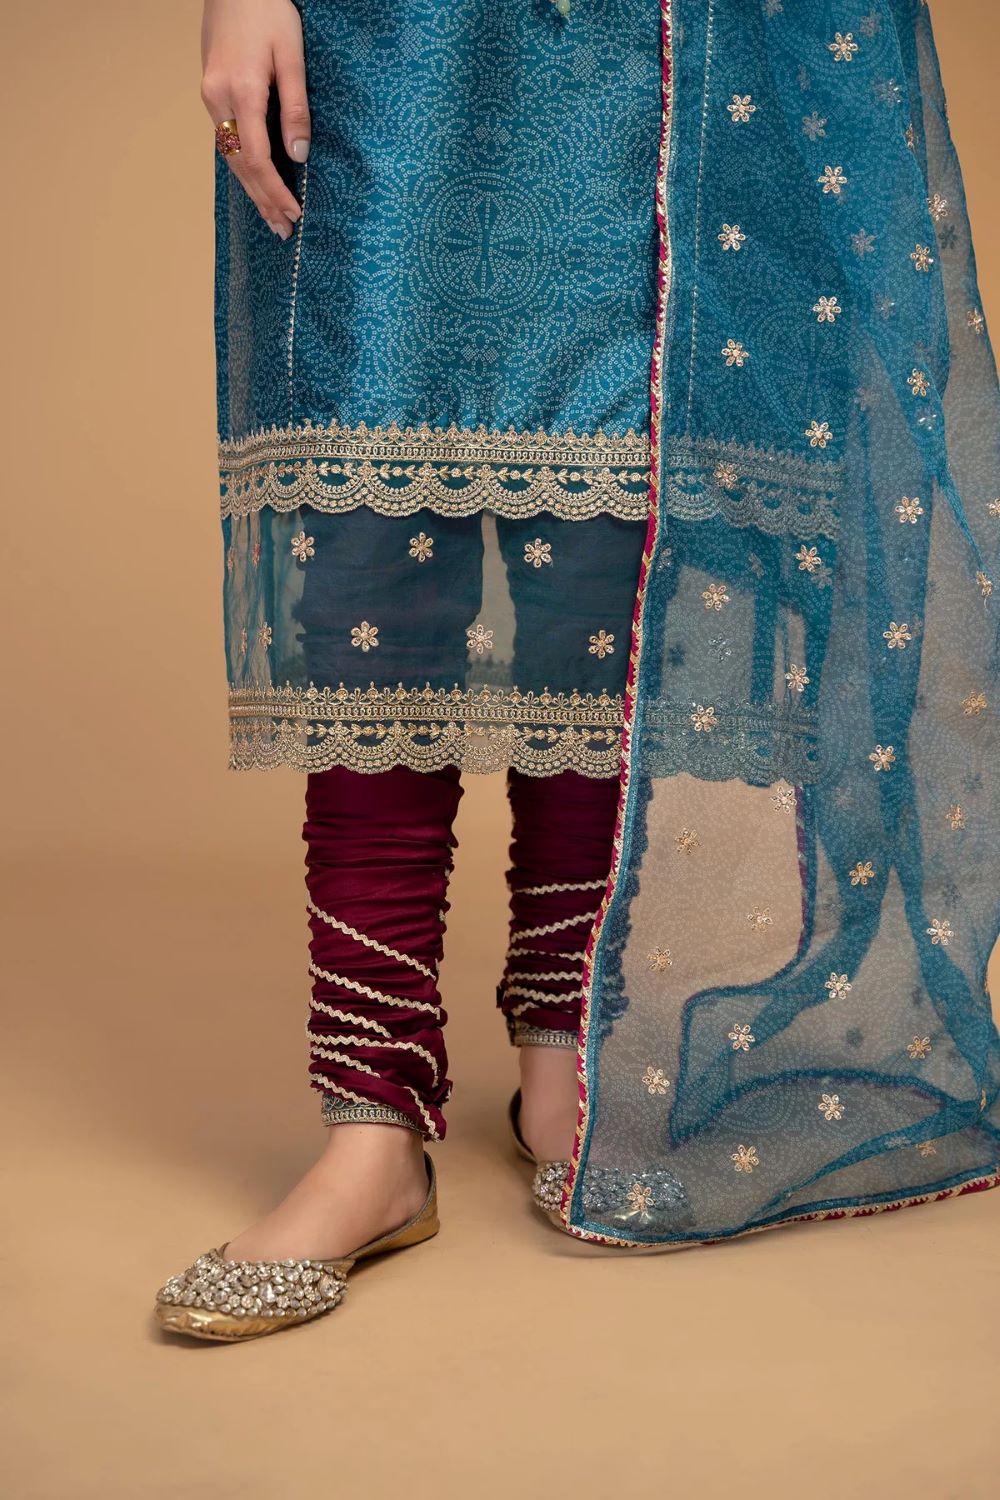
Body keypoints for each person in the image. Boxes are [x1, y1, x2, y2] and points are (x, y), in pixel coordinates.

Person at [156, 0, 1000, 1341]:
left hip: (642, 45)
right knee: (374, 525)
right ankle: (370, 1127)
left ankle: (565, 1063)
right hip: (395, 40)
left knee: (609, 528)